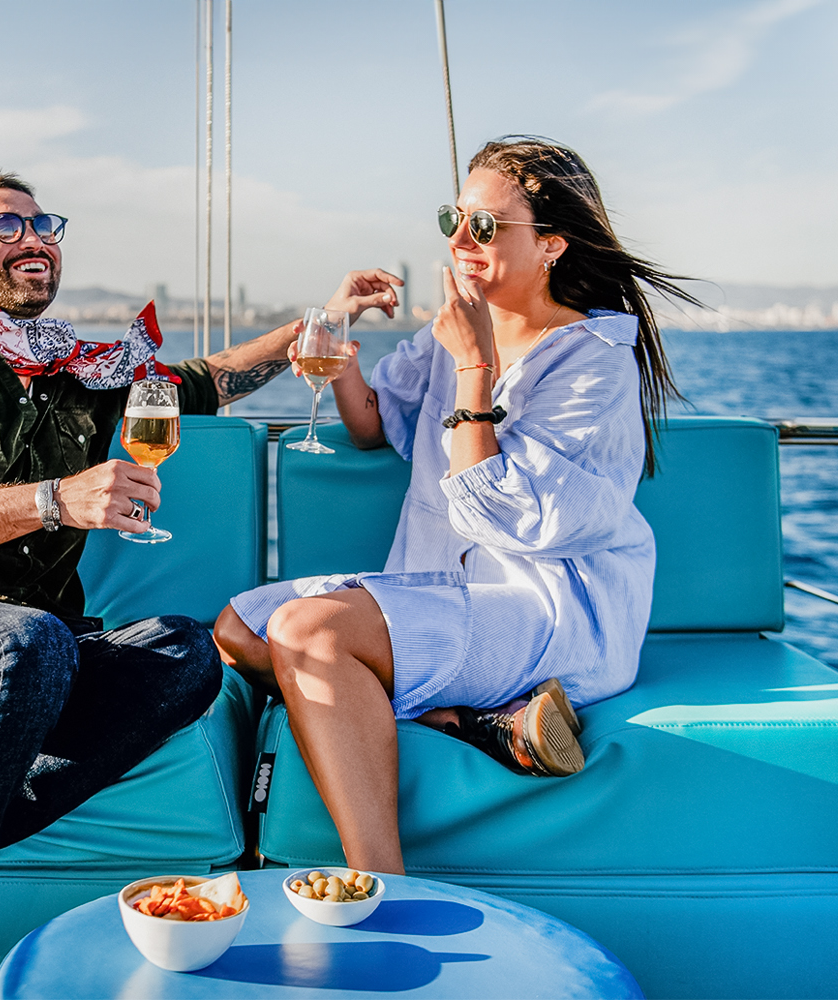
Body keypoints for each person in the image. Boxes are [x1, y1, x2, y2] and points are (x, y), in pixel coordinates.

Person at [0, 169, 401, 1000]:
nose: (33, 238)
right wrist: (52, 501)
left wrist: (320, 320)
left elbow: (208, 380)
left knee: (187, 652)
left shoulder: (89, 374)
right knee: (30, 639)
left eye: (43, 225)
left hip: (32, 651)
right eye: (3, 226)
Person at [213, 136, 695, 878]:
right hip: (448, 594)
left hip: (546, 608)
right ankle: (467, 721)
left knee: (308, 633)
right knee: (239, 629)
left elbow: (498, 516)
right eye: (456, 220)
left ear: (553, 247)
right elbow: (375, 424)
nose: (463, 242)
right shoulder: (452, 332)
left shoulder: (592, 359)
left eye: (488, 226)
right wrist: (340, 337)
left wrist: (475, 366)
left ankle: (382, 884)